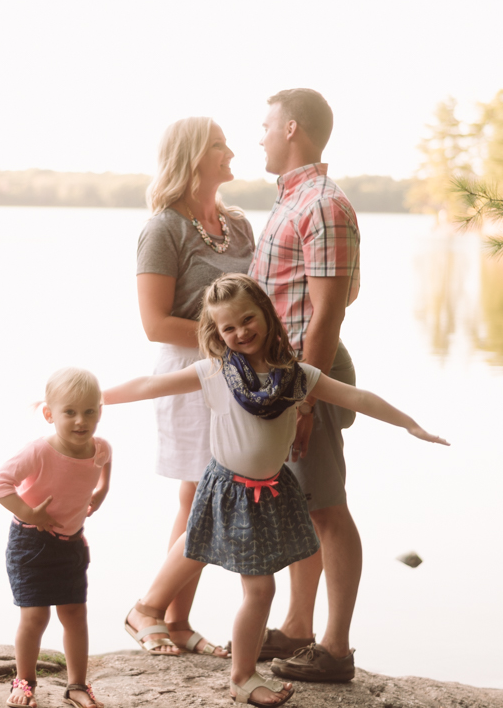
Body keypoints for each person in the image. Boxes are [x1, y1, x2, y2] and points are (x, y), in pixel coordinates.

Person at [106, 274, 447, 707]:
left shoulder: (297, 376)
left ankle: (190, 637)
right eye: (228, 328)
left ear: (267, 314)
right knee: (255, 585)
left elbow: (359, 398)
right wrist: (95, 399)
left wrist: (410, 424)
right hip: (228, 489)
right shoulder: (216, 372)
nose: (241, 332)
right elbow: (147, 386)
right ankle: (241, 676)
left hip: (269, 493)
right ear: (217, 333)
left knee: (213, 556)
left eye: (248, 319)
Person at [129, 116, 255, 657]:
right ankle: (151, 610)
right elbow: (155, 323)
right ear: (193, 157)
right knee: (205, 492)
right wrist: (228, 346)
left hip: (240, 376)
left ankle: (175, 622)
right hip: (189, 373)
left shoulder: (241, 225)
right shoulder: (163, 229)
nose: (232, 152)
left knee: (202, 494)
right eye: (219, 146)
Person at [249, 88, 363, 683]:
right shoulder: (293, 201)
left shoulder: (322, 205)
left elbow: (328, 314)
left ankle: (336, 649)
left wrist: (306, 398)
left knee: (327, 508)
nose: (260, 135)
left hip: (305, 377)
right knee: (301, 505)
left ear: (291, 128)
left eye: (266, 124)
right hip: (282, 378)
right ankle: (297, 628)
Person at [0, 368, 113, 708]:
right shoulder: (40, 451)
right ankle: (25, 681)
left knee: (75, 613)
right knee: (36, 617)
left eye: (89, 411)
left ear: (99, 412)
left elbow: (105, 459)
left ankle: (77, 686)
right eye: (69, 412)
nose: (79, 420)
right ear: (49, 414)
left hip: (71, 544)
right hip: (31, 543)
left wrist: (101, 492)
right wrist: (29, 512)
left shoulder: (99, 448)